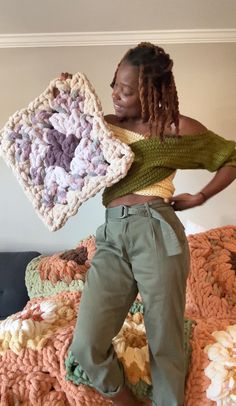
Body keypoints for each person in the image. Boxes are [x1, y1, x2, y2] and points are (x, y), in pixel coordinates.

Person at [68, 42, 236, 406]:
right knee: (86, 346)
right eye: (114, 85)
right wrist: (69, 99)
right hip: (112, 236)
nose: (115, 95)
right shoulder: (103, 127)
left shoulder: (174, 129)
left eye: (126, 91)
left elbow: (231, 156)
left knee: (165, 343)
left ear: (150, 92)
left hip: (156, 232)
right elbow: (61, 142)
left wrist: (201, 196)